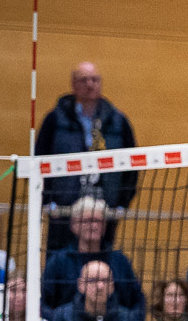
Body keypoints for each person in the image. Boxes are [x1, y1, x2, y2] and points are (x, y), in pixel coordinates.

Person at [35, 61, 137, 244]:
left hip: (104, 207)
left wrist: (121, 203)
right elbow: (39, 159)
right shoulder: (55, 119)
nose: (90, 84)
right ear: (73, 84)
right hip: (63, 208)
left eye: (94, 79)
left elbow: (132, 165)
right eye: (84, 80)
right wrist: (48, 201)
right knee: (60, 259)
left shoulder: (118, 121)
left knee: (100, 261)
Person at [41, 197, 145, 314]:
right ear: (73, 225)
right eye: (87, 221)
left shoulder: (120, 261)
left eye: (98, 221)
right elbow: (42, 301)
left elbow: (138, 301)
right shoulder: (58, 261)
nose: (93, 226)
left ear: (104, 226)